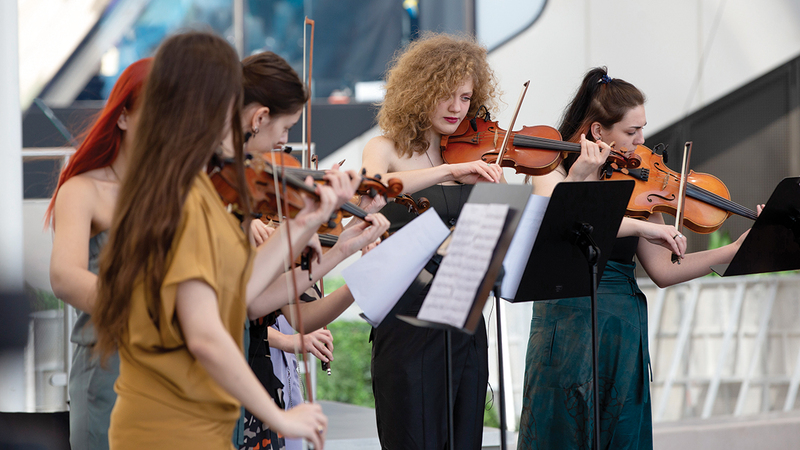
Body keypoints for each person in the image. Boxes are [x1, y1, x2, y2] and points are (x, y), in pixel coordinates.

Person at [91, 31, 384, 449]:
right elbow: (205, 335)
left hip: (201, 423)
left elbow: (243, 296)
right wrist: (279, 416)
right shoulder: (181, 197)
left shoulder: (197, 188)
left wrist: (312, 224)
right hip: (170, 428)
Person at [518, 67, 762, 450]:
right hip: (566, 325)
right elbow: (558, 224)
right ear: (599, 132)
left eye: (643, 129)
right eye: (632, 132)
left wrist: (732, 250)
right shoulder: (551, 167)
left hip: (621, 325)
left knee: (622, 433)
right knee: (561, 432)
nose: (642, 142)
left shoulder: (643, 182)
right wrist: (583, 173)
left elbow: (664, 270)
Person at [358, 32, 506, 450]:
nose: (458, 109)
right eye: (447, 96)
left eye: (465, 98)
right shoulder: (384, 147)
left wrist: (497, 187)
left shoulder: (469, 153)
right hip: (407, 322)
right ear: (420, 91)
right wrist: (447, 174)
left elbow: (500, 225)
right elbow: (375, 187)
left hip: (465, 320)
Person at [234, 50, 389, 450]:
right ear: (259, 118)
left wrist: (344, 248)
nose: (286, 144)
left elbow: (256, 302)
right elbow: (223, 317)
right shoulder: (222, 203)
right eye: (286, 128)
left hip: (250, 384)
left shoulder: (241, 200)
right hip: (223, 391)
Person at [47, 58, 151, 450]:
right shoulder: (83, 189)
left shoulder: (180, 191)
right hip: (111, 371)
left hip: (173, 373)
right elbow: (65, 277)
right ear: (123, 117)